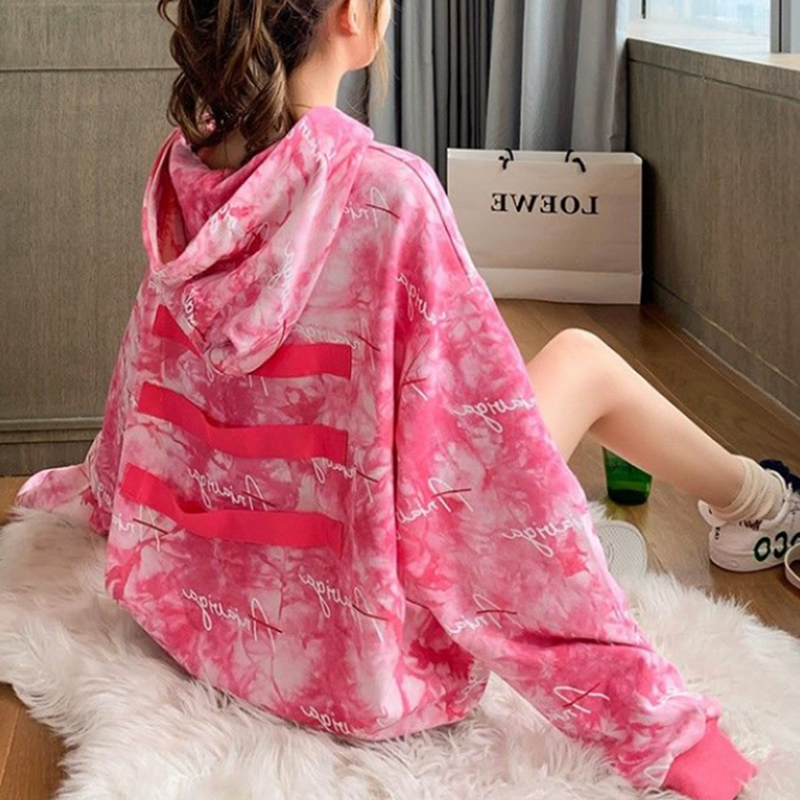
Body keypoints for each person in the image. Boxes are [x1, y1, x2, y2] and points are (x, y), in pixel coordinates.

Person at [11, 1, 798, 798]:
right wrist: (660, 728)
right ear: (353, 16)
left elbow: (145, 388)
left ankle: (761, 499)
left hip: (198, 607)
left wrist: (103, 494)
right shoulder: (391, 194)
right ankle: (765, 503)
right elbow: (496, 493)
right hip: (355, 658)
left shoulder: (184, 172)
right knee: (580, 362)